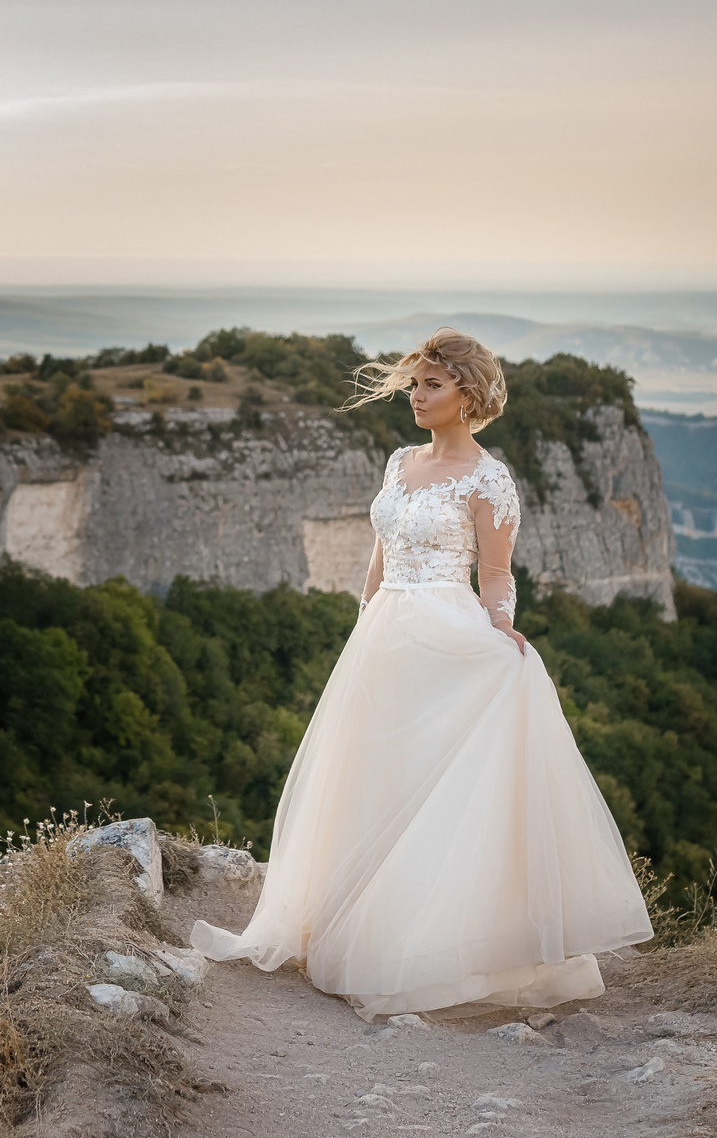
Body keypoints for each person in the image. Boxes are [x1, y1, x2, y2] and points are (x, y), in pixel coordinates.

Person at [188, 328, 653, 1014]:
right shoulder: (398, 460)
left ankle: (423, 945)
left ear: (470, 394)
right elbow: (377, 564)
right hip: (384, 637)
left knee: (434, 790)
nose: (416, 394)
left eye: (432, 384)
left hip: (447, 636)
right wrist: (364, 626)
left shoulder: (489, 479)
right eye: (414, 382)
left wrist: (501, 630)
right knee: (373, 778)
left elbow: (496, 574)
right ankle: (351, 920)